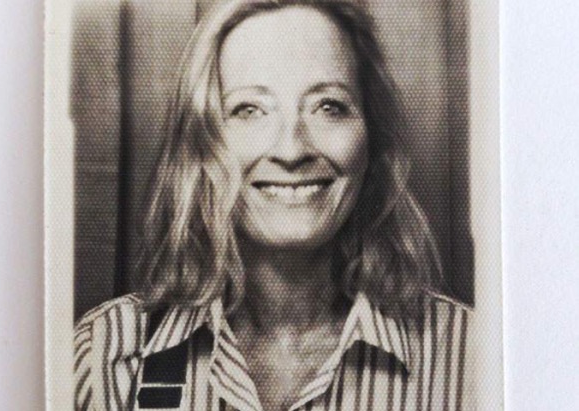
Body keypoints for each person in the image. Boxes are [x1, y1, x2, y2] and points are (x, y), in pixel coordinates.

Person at [74, 0, 473, 410]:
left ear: (372, 139)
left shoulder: (471, 359)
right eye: (250, 110)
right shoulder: (106, 358)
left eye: (328, 106)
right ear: (202, 144)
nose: (291, 149)